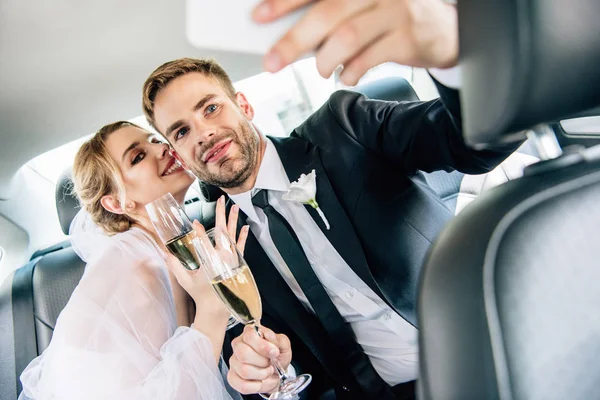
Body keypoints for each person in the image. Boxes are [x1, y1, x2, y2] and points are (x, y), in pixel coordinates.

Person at [139, 2, 520, 399]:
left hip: (493, 341)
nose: (203, 134)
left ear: (245, 106)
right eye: (181, 132)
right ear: (180, 156)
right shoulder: (219, 246)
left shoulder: (342, 127)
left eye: (211, 108)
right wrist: (263, 376)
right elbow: (294, 367)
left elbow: (475, 144)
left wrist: (452, 52)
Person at [18, 121, 253, 400]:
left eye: (154, 140)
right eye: (138, 157)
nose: (162, 148)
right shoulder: (132, 267)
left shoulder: (168, 246)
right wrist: (212, 308)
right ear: (117, 203)